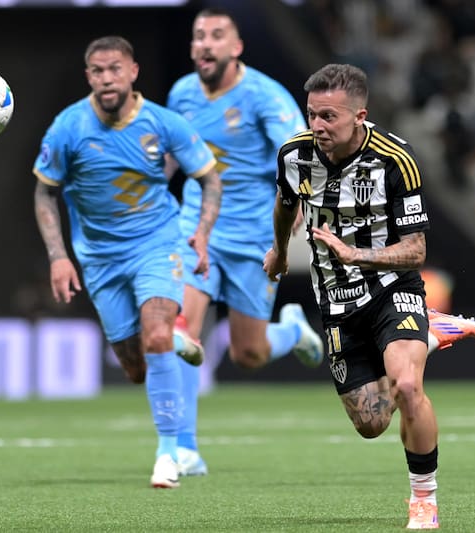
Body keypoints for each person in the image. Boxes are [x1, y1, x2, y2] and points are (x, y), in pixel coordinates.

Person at [265, 63, 475, 530]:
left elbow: (417, 250)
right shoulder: (293, 155)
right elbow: (286, 204)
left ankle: (423, 501)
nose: (318, 127)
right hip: (335, 298)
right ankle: (433, 334)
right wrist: (280, 251)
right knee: (371, 423)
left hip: (393, 288)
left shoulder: (396, 160)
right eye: (312, 115)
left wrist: (357, 254)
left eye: (330, 117)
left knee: (408, 387)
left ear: (360, 115)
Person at [32, 35, 222, 489]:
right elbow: (44, 191)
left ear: (133, 71)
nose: (106, 79)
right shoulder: (68, 127)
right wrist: (59, 258)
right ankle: (171, 342)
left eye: (115, 68)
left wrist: (202, 234)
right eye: (97, 71)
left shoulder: (163, 123)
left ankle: (168, 454)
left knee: (155, 334)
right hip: (99, 260)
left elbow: (210, 179)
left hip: (157, 245)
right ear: (88, 77)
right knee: (136, 369)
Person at [165, 8, 324, 477]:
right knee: (183, 331)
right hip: (197, 230)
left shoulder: (263, 96)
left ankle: (292, 330)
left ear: (236, 47)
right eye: (199, 36)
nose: (206, 44)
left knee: (247, 353)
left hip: (254, 236)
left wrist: (298, 207)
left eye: (217, 35)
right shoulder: (181, 94)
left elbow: (300, 154)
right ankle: (183, 448)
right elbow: (175, 156)